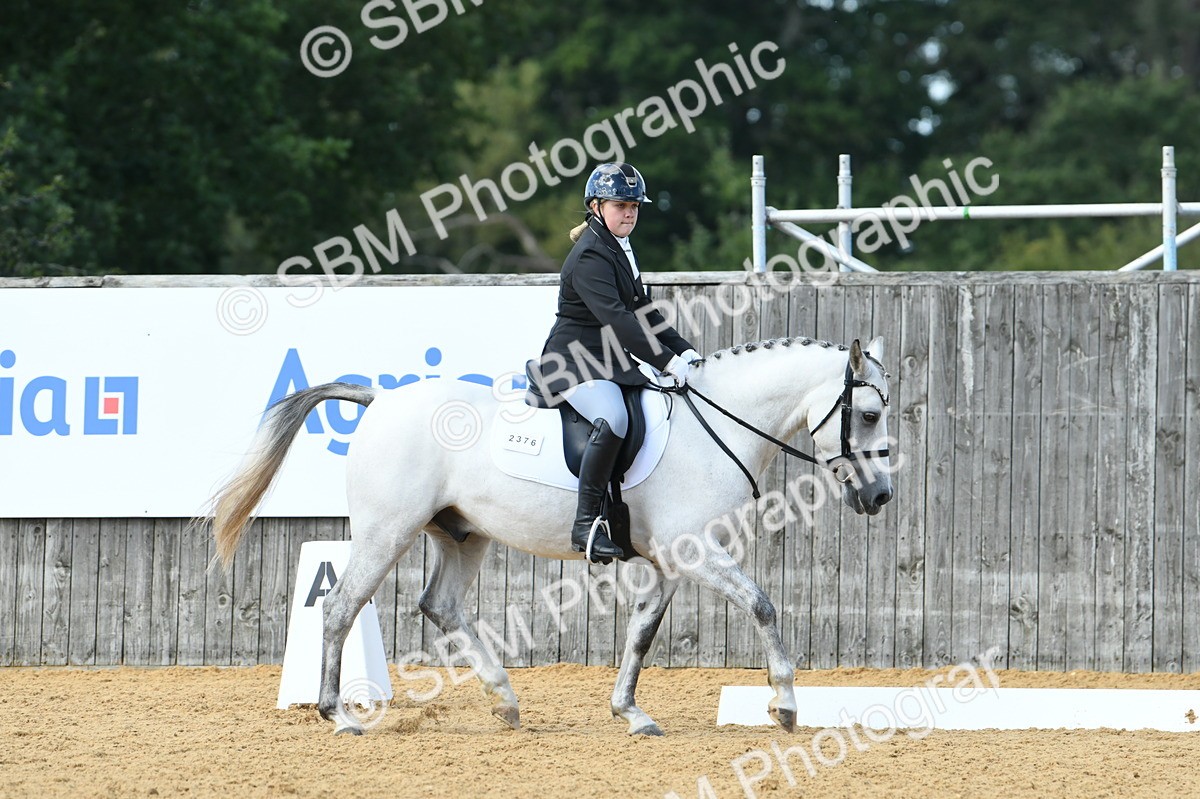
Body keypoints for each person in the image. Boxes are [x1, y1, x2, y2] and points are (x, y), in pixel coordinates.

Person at [532, 162, 700, 562]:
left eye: (635, 206)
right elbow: (621, 322)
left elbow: (643, 312)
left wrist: (684, 351)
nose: (630, 213)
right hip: (572, 361)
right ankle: (585, 523)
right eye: (621, 205)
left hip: (603, 360)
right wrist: (666, 362)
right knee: (615, 419)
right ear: (596, 206)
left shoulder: (618, 247)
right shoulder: (590, 255)